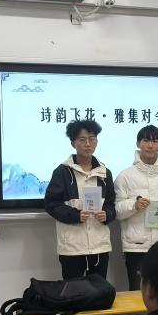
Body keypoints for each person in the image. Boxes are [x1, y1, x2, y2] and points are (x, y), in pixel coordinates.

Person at [43, 120, 116, 280]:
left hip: (99, 246)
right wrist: (75, 215)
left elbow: (111, 204)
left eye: (92, 138)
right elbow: (51, 204)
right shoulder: (62, 172)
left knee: (99, 291)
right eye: (82, 140)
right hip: (72, 247)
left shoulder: (105, 173)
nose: (88, 144)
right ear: (73, 143)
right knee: (73, 291)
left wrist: (107, 214)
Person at [114, 125, 158, 290]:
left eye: (155, 141)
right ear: (138, 143)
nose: (150, 145)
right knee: (137, 292)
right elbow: (116, 210)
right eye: (146, 141)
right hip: (136, 246)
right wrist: (134, 205)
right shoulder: (125, 176)